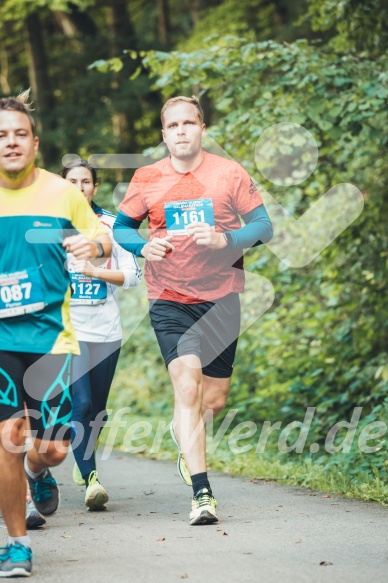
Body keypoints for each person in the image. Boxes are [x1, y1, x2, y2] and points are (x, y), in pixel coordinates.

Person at [113, 95, 273, 525]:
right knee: (187, 385)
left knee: (213, 399)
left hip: (221, 296)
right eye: (173, 125)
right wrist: (144, 246)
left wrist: (228, 240)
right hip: (168, 297)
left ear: (202, 128)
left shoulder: (229, 173)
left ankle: (184, 432)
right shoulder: (147, 177)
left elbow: (264, 227)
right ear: (164, 134)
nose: (181, 130)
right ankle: (202, 493)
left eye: (189, 123)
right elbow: (122, 228)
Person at [0, 90, 111, 577]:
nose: (10, 142)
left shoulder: (61, 193)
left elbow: (103, 239)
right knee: (7, 438)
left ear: (35, 142)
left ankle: (38, 473)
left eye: (19, 134)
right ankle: (17, 544)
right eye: (1, 135)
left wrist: (95, 243)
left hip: (51, 339)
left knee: (52, 448)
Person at [60, 159, 141, 510]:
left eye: (86, 182)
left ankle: (82, 457)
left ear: (95, 187)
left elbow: (132, 276)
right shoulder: (51, 226)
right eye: (72, 182)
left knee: (99, 410)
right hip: (68, 330)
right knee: (82, 403)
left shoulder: (112, 225)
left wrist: (95, 272)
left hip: (106, 328)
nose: (79, 188)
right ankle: (92, 479)